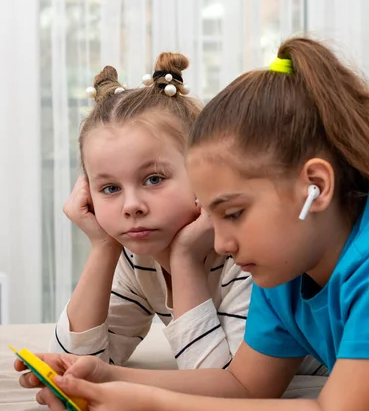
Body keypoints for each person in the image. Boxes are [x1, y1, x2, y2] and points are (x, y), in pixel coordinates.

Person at [19, 36, 369, 411]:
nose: (220, 241)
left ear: (316, 187)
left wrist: (149, 408)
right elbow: (243, 384)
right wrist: (107, 376)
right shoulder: (286, 264)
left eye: (233, 213)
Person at [49, 52, 253, 370]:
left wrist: (184, 259)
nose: (132, 206)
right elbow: (72, 367)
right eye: (110, 189)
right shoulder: (136, 259)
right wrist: (104, 246)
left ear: (202, 172)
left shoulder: (246, 254)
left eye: (154, 179)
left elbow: (221, 384)